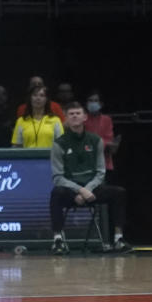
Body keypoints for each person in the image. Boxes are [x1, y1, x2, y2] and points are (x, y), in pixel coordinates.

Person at [49, 102, 130, 255]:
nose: (74, 116)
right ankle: (58, 240)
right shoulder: (59, 144)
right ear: (65, 118)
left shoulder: (96, 140)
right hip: (71, 190)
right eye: (71, 114)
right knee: (56, 193)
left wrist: (88, 189)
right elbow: (57, 177)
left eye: (78, 113)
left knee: (119, 192)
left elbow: (101, 172)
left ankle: (118, 239)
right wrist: (80, 190)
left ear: (85, 117)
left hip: (92, 189)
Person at [82, 90, 118, 176]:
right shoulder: (82, 119)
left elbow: (108, 139)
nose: (93, 103)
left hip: (104, 162)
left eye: (95, 101)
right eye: (90, 100)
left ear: (101, 104)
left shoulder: (107, 119)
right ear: (86, 103)